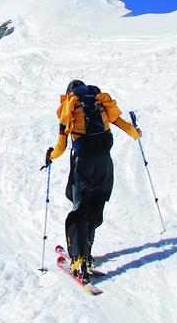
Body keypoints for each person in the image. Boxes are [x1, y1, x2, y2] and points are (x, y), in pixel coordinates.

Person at [45, 80, 141, 281]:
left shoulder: (70, 107)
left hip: (84, 165)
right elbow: (123, 124)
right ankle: (87, 254)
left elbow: (61, 146)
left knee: (79, 208)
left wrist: (50, 156)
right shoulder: (99, 104)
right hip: (105, 164)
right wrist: (136, 133)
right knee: (95, 206)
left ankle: (78, 261)